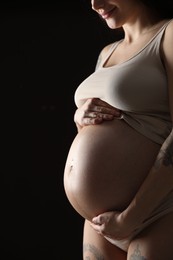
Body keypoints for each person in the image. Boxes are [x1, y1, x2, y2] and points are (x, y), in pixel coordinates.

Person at [63, 0, 173, 259]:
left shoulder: (167, 34)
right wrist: (80, 117)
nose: (95, 4)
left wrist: (130, 217)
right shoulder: (106, 53)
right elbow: (110, 125)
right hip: (99, 221)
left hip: (156, 210)